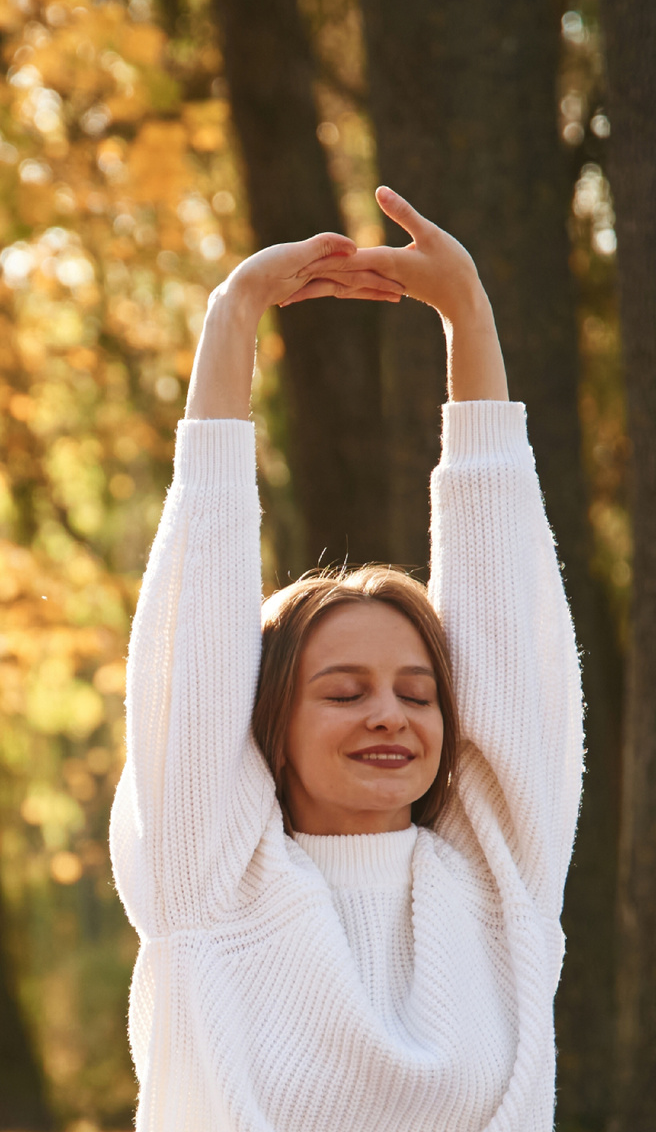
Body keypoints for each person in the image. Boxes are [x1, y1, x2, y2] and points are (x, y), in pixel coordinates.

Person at [109, 187, 584, 1131]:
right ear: (267, 723)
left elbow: (504, 614)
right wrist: (232, 317)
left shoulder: (500, 882)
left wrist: (470, 323)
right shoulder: (207, 887)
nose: (390, 715)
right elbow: (194, 633)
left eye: (418, 693)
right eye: (343, 691)